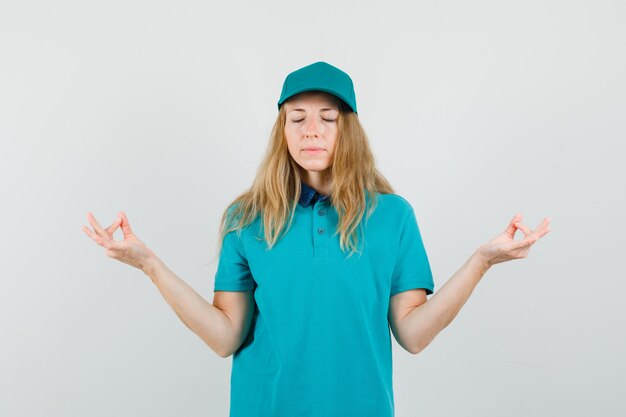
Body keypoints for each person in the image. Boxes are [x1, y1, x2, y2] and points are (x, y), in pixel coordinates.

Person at [82, 61, 551, 417]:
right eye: (297, 117)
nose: (311, 130)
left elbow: (413, 333)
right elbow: (226, 336)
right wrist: (149, 264)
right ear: (281, 128)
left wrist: (482, 261)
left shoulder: (392, 216)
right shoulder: (246, 218)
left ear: (348, 129)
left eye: (328, 118)